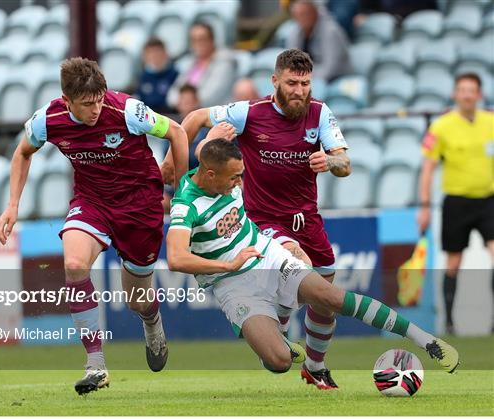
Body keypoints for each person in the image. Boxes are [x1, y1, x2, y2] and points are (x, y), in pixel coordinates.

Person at [167, 138, 460, 378]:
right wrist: (228, 264)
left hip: (266, 254)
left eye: (240, 174)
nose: (239, 182)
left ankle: (427, 340)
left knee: (331, 297)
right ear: (209, 175)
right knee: (279, 362)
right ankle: (278, 337)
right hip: (231, 281)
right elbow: (176, 259)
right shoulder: (186, 206)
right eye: (233, 177)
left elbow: (188, 130)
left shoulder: (218, 166)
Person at [0, 57, 189, 395]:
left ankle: (151, 320)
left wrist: (179, 187)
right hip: (92, 202)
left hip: (139, 206)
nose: (96, 108)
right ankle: (96, 364)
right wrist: (12, 205)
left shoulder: (128, 110)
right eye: (87, 104)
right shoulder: (48, 119)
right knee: (73, 264)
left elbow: (176, 131)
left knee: (137, 301)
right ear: (67, 101)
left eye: (99, 99)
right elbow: (22, 153)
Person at [178, 49, 351, 390]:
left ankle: (315, 365)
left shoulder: (319, 113)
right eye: (292, 83)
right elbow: (197, 116)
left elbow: (345, 164)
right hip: (262, 219)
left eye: (305, 83)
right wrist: (177, 164)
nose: (299, 90)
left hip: (306, 218)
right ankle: (274, 336)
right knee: (295, 263)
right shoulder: (248, 113)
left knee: (325, 297)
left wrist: (329, 163)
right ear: (275, 81)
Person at [417, 72, 494, 335]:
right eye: (462, 89)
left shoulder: (491, 122)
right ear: (455, 94)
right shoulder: (441, 126)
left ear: (479, 95)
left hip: (488, 200)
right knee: (453, 262)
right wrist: (425, 206)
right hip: (456, 202)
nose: (467, 94)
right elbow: (428, 168)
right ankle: (449, 322)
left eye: (472, 90)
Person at [166, 21, 236, 109]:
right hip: (191, 114)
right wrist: (183, 102)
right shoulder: (189, 63)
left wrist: (188, 102)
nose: (198, 44)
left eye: (202, 39)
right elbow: (172, 95)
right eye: (194, 40)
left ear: (212, 40)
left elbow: (212, 95)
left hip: (216, 117)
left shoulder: (225, 62)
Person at [286, 0, 352, 82]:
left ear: (315, 12)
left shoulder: (331, 31)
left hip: (337, 80)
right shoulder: (295, 32)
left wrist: (306, 77)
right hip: (309, 79)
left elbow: (331, 68)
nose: (303, 18)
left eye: (305, 13)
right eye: (298, 15)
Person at [138, 37, 178, 113]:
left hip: (169, 117)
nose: (154, 55)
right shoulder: (143, 77)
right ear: (145, 56)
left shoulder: (174, 74)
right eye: (151, 52)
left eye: (157, 51)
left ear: (165, 53)